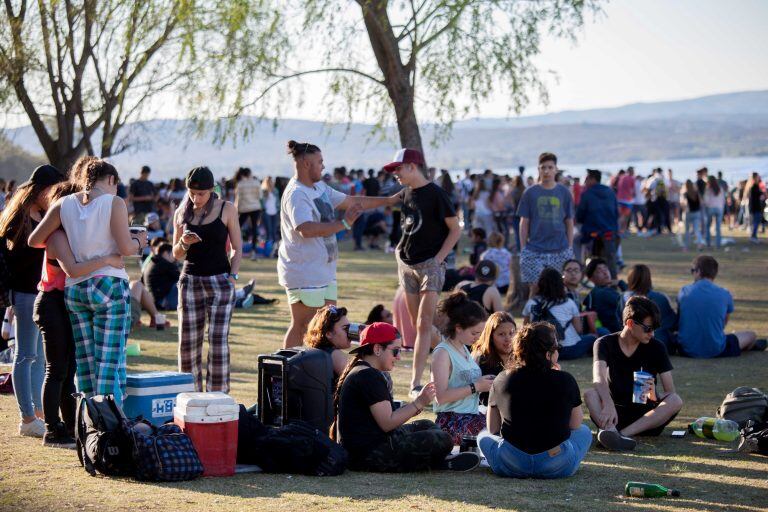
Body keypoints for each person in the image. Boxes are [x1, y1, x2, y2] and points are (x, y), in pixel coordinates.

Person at [29, 157, 148, 407]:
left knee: (85, 364)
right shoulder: (113, 202)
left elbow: (35, 240)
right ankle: (109, 427)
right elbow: (126, 248)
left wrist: (70, 245)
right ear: (111, 180)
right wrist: (140, 241)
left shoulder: (64, 204)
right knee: (109, 362)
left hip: (76, 288)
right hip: (109, 283)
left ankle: (89, 424)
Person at [278, 141, 399, 348]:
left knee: (327, 326)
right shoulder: (296, 194)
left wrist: (389, 201)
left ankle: (319, 368)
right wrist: (344, 223)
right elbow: (306, 229)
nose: (323, 166)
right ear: (306, 164)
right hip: (304, 271)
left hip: (323, 271)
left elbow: (352, 201)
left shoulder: (320, 187)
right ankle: (288, 369)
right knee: (302, 325)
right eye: (320, 162)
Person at [33, 182, 126, 447]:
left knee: (71, 368)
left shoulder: (73, 236)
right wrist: (108, 260)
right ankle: (52, 429)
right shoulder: (58, 237)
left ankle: (72, 425)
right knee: (56, 369)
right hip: (51, 302)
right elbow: (74, 269)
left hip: (63, 303)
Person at [333, 322, 480, 472]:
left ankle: (436, 461)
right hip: (368, 455)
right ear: (377, 348)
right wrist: (419, 402)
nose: (399, 357)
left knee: (426, 425)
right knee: (443, 440)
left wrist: (417, 405)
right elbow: (387, 423)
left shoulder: (364, 371)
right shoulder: (368, 376)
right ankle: (438, 462)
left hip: (367, 446)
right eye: (395, 351)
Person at [384, 148, 461, 397]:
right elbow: (405, 227)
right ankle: (457, 354)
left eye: (398, 168)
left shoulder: (436, 194)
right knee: (421, 328)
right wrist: (398, 253)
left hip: (431, 265)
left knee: (423, 323)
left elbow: (455, 229)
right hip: (406, 265)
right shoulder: (405, 193)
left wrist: (439, 259)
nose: (395, 173)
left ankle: (415, 383)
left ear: (412, 166)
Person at [0, 165, 65, 437]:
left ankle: (36, 412)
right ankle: (27, 417)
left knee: (37, 357)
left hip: (37, 292)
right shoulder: (20, 219)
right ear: (40, 189)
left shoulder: (38, 213)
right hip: (25, 292)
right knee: (25, 354)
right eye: (52, 190)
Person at [479, 322, 591, 478]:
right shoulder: (565, 380)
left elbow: (492, 428)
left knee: (483, 436)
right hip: (556, 462)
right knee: (585, 432)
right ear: (548, 355)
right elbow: (575, 424)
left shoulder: (502, 379)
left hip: (512, 463)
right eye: (557, 349)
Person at [171, 166, 241, 392]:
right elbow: (175, 254)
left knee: (218, 343)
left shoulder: (227, 209)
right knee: (188, 345)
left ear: (212, 190)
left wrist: (233, 276)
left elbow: (237, 248)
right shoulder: (182, 213)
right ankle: (189, 398)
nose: (195, 197)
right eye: (191, 192)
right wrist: (184, 243)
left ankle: (218, 399)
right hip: (190, 281)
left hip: (220, 281)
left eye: (200, 193)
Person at [584, 296, 683, 451]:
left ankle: (619, 435)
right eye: (648, 328)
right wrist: (608, 404)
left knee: (675, 400)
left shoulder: (657, 347)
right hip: (613, 414)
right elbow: (598, 377)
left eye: (655, 328)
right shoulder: (604, 343)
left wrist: (652, 395)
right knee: (590, 394)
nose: (652, 334)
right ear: (630, 323)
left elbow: (670, 391)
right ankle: (610, 432)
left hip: (646, 419)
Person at [431, 291, 492, 445]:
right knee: (494, 432)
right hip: (451, 421)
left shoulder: (464, 349)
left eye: (480, 333)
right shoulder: (443, 353)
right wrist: (476, 386)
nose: (478, 337)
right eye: (474, 333)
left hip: (470, 416)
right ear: (458, 328)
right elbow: (441, 397)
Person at [517, 152, 574, 297]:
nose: (546, 171)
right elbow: (524, 222)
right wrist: (523, 247)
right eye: (543, 168)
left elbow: (569, 221)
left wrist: (570, 246)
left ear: (556, 169)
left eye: (550, 167)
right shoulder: (530, 193)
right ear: (538, 169)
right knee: (535, 289)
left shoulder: (564, 192)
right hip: (535, 249)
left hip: (560, 248)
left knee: (561, 288)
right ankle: (530, 319)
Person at [677, 255, 758, 357]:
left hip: (686, 349)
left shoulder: (684, 291)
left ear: (698, 271)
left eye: (693, 270)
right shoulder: (725, 293)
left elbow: (680, 318)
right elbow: (723, 323)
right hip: (715, 349)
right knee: (751, 335)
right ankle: (747, 347)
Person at [523, 267, 596, 360]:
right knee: (592, 338)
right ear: (561, 284)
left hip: (542, 351)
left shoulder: (532, 303)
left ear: (540, 283)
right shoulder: (568, 302)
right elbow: (578, 330)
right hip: (568, 349)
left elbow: (525, 329)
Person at [622, 264, 677, 353]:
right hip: (659, 343)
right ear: (648, 279)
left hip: (631, 345)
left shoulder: (623, 298)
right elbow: (672, 322)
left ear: (630, 279)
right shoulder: (660, 298)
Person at [576, 169, 620, 278]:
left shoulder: (587, 193)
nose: (585, 181)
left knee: (575, 241)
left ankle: (579, 268)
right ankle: (613, 278)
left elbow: (580, 214)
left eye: (587, 179)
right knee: (611, 256)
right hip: (609, 231)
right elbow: (616, 213)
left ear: (593, 179)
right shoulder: (610, 192)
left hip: (592, 232)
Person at [471, 311, 516, 407]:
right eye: (501, 334)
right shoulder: (483, 359)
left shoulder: (520, 356)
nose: (508, 338)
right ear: (491, 337)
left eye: (511, 333)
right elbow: (486, 399)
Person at [304, 305, 352, 379]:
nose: (350, 332)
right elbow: (357, 382)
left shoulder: (315, 351)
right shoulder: (335, 355)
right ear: (329, 334)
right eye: (345, 328)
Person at [583, 257, 624, 333]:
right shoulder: (602, 292)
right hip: (617, 333)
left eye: (606, 269)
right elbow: (629, 302)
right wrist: (621, 283)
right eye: (599, 271)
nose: (605, 273)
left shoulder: (595, 292)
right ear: (591, 278)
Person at [233, 167, 262, 259]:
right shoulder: (256, 182)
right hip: (255, 207)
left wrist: (235, 210)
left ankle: (234, 249)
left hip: (244, 208)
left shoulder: (240, 184)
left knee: (236, 228)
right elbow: (260, 196)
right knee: (254, 229)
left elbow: (238, 199)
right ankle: (253, 251)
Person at [142, 242, 180, 311]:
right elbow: (181, 277)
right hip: (163, 301)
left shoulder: (153, 262)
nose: (175, 257)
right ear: (165, 253)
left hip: (155, 301)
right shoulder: (164, 264)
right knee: (183, 283)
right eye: (172, 254)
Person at [681, 179, 704, 251]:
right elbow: (701, 202)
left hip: (688, 213)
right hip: (697, 213)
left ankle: (686, 247)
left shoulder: (685, 194)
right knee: (697, 230)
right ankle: (699, 245)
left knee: (687, 231)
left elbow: (683, 204)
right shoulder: (696, 193)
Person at [703, 175, 726, 249]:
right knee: (718, 228)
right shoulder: (720, 188)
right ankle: (718, 244)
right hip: (719, 208)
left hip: (710, 208)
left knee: (707, 226)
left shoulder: (708, 189)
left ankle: (708, 243)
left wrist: (707, 206)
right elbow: (723, 200)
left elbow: (706, 200)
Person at [747, 173, 765, 243]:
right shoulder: (754, 187)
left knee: (755, 222)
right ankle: (753, 236)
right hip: (755, 208)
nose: (759, 178)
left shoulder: (753, 186)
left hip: (754, 207)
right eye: (758, 177)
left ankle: (754, 236)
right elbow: (757, 196)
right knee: (756, 222)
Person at [261, 176, 279, 243]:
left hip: (275, 212)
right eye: (269, 181)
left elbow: (278, 202)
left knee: (274, 231)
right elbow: (261, 201)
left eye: (271, 181)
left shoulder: (275, 190)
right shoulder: (263, 191)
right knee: (269, 231)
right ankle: (268, 247)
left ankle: (274, 248)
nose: (271, 182)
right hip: (266, 213)